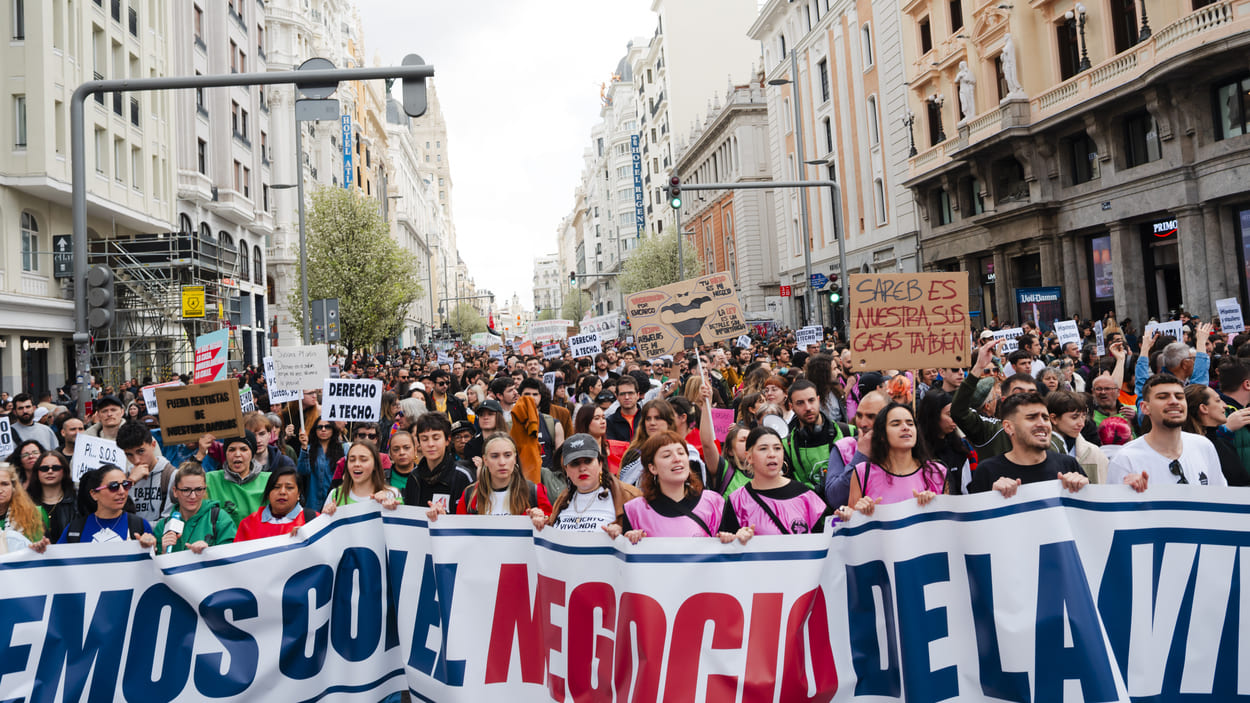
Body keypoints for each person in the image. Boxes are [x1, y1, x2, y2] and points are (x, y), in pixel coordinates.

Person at [608, 431, 748, 544]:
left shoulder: (713, 503)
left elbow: (730, 551)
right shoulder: (635, 511)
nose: (677, 459)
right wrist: (627, 540)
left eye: (681, 453)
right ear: (652, 467)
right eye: (667, 455)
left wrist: (734, 538)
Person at [1111, 373, 1228, 491]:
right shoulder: (1125, 458)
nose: (1174, 401)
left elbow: (1221, 497)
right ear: (1145, 408)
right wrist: (1127, 491)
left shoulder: (1203, 446)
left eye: (1179, 397)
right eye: (1163, 397)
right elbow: (1114, 506)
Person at [967, 392, 1089, 497]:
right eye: (1031, 418)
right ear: (1009, 427)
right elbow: (976, 521)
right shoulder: (987, 470)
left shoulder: (1068, 464)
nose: (1042, 424)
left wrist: (1084, 490)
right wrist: (992, 499)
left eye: (1045, 418)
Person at [721, 426, 830, 536]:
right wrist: (735, 539)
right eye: (763, 449)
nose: (772, 454)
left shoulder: (805, 495)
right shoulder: (738, 501)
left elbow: (822, 543)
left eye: (777, 448)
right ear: (749, 457)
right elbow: (728, 547)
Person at [843, 403, 947, 518]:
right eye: (896, 424)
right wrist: (855, 513)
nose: (905, 428)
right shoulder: (863, 472)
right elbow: (849, 521)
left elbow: (948, 524)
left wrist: (935, 506)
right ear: (882, 435)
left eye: (910, 423)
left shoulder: (936, 471)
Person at [531, 433, 641, 533]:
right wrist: (541, 523)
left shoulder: (629, 496)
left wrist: (625, 532)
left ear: (600, 464)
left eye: (588, 461)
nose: (582, 468)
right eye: (575, 463)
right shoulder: (562, 500)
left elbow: (649, 536)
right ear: (566, 470)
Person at [441, 434, 551, 516]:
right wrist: (441, 518)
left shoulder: (533, 492)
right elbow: (459, 534)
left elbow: (551, 529)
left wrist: (542, 520)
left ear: (515, 459)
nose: (502, 462)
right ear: (485, 460)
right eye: (495, 456)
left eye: (507, 455)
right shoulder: (470, 495)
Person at [785, 379, 856, 495]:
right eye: (800, 403)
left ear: (818, 400)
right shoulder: (786, 445)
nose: (808, 407)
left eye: (811, 400)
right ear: (791, 406)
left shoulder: (848, 432)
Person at [58, 465, 156, 546]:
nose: (122, 491)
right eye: (113, 487)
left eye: (126, 485)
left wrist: (151, 548)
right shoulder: (75, 529)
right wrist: (44, 550)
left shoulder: (140, 526)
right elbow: (57, 563)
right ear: (94, 494)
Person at [152, 463, 237, 554]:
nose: (193, 496)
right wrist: (164, 553)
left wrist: (209, 551)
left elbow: (231, 557)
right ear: (175, 491)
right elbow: (155, 566)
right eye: (186, 490)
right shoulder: (163, 526)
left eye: (199, 490)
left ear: (205, 490)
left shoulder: (220, 519)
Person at [401, 412, 474, 512]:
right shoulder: (414, 476)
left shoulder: (462, 477)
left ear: (447, 440)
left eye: (436, 438)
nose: (430, 444)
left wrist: (444, 520)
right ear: (419, 442)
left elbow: (471, 520)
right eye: (424, 439)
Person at [1183, 384, 1250, 486]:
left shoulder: (1222, 442)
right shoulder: (1193, 447)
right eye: (1218, 400)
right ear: (1204, 408)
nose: (1225, 405)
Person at [116, 420, 177, 524]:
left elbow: (170, 519)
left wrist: (138, 528)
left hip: (159, 538)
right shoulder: (125, 477)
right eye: (129, 454)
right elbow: (118, 514)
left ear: (153, 445)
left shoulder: (171, 475)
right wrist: (129, 483)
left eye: (141, 451)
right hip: (131, 538)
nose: (136, 460)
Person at [204, 432, 272, 525]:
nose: (237, 454)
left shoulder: (270, 480)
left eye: (243, 449)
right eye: (232, 450)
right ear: (226, 454)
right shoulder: (210, 479)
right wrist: (199, 455)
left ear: (252, 454)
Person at [234, 467, 318, 541]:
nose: (282, 492)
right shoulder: (248, 524)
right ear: (268, 493)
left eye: (289, 488)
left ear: (298, 493)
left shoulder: (314, 520)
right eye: (276, 487)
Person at [917, 390, 975, 495]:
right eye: (949, 414)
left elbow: (968, 488)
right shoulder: (917, 450)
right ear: (933, 416)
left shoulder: (961, 448)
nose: (954, 419)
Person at [322, 440, 402, 513]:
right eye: (352, 460)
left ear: (375, 464)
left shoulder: (392, 494)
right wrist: (326, 516)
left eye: (363, 460)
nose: (356, 464)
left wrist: (391, 511)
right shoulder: (335, 495)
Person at [1047, 390, 1108, 484]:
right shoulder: (1037, 451)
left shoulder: (1094, 452)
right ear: (1054, 418)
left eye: (1083, 416)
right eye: (1074, 417)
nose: (1081, 424)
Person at [26, 450, 77, 541]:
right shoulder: (26, 503)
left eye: (56, 468)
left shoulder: (76, 502)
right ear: (37, 473)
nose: (50, 471)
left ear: (64, 471)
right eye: (44, 468)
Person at [297, 417, 345, 511]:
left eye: (327, 427)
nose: (323, 429)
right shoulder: (308, 448)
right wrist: (304, 448)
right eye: (320, 427)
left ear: (333, 429)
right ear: (315, 430)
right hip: (312, 503)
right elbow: (302, 471)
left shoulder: (343, 448)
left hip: (335, 502)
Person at [0, 463, 47, 551]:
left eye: (5, 484)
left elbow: (39, 553)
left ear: (14, 486)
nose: (0, 490)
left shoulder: (33, 514)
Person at [574, 403, 628, 474]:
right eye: (597, 418)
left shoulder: (622, 447)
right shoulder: (575, 452)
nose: (602, 422)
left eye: (603, 417)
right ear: (585, 423)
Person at [605, 374, 642, 442]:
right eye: (622, 394)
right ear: (617, 397)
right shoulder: (610, 422)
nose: (627, 397)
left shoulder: (646, 418)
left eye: (630, 393)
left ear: (638, 395)